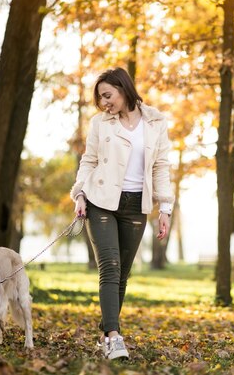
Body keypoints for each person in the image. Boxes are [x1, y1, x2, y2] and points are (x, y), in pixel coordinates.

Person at [70, 67, 175, 360]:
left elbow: (161, 166)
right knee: (111, 268)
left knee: (122, 275)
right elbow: (88, 161)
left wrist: (165, 208)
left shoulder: (155, 121)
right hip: (101, 201)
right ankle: (115, 338)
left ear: (123, 88)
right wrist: (79, 194)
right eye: (101, 98)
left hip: (136, 206)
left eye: (108, 95)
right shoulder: (100, 123)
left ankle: (105, 333)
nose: (105, 103)